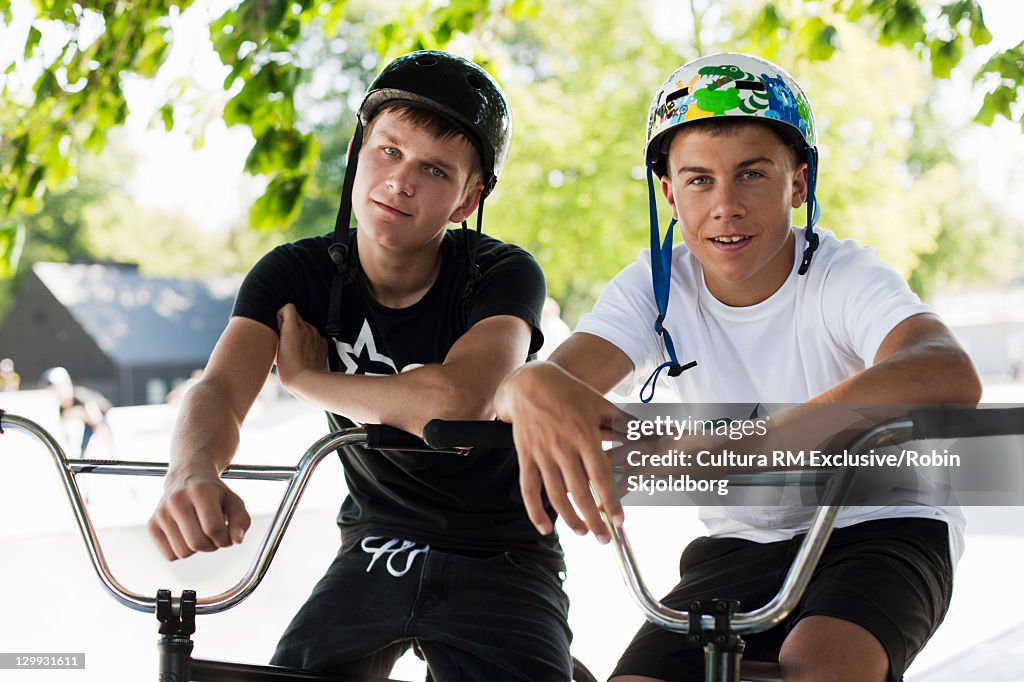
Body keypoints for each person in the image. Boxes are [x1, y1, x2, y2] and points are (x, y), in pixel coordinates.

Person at [493, 53, 981, 682]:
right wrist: (529, 382)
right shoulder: (657, 285)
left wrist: (754, 445)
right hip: (744, 540)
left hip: (882, 521)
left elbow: (946, 371)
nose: (725, 205)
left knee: (819, 665)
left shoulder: (838, 274)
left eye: (751, 174)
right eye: (698, 180)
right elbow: (546, 385)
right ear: (668, 192)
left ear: (797, 183)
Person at [147, 51, 570, 681]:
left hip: (504, 545)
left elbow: (461, 399)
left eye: (434, 169)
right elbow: (218, 389)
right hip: (376, 538)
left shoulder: (502, 272)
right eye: (389, 151)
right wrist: (191, 469)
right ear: (355, 153)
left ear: (467, 199)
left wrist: (307, 381)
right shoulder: (296, 273)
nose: (401, 181)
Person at [42, 366, 115, 456]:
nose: (59, 393)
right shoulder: (62, 407)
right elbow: (63, 429)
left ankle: (114, 458)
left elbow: (97, 420)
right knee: (84, 445)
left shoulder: (81, 397)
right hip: (89, 421)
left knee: (104, 438)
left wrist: (109, 449)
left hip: (102, 416)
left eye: (59, 388)